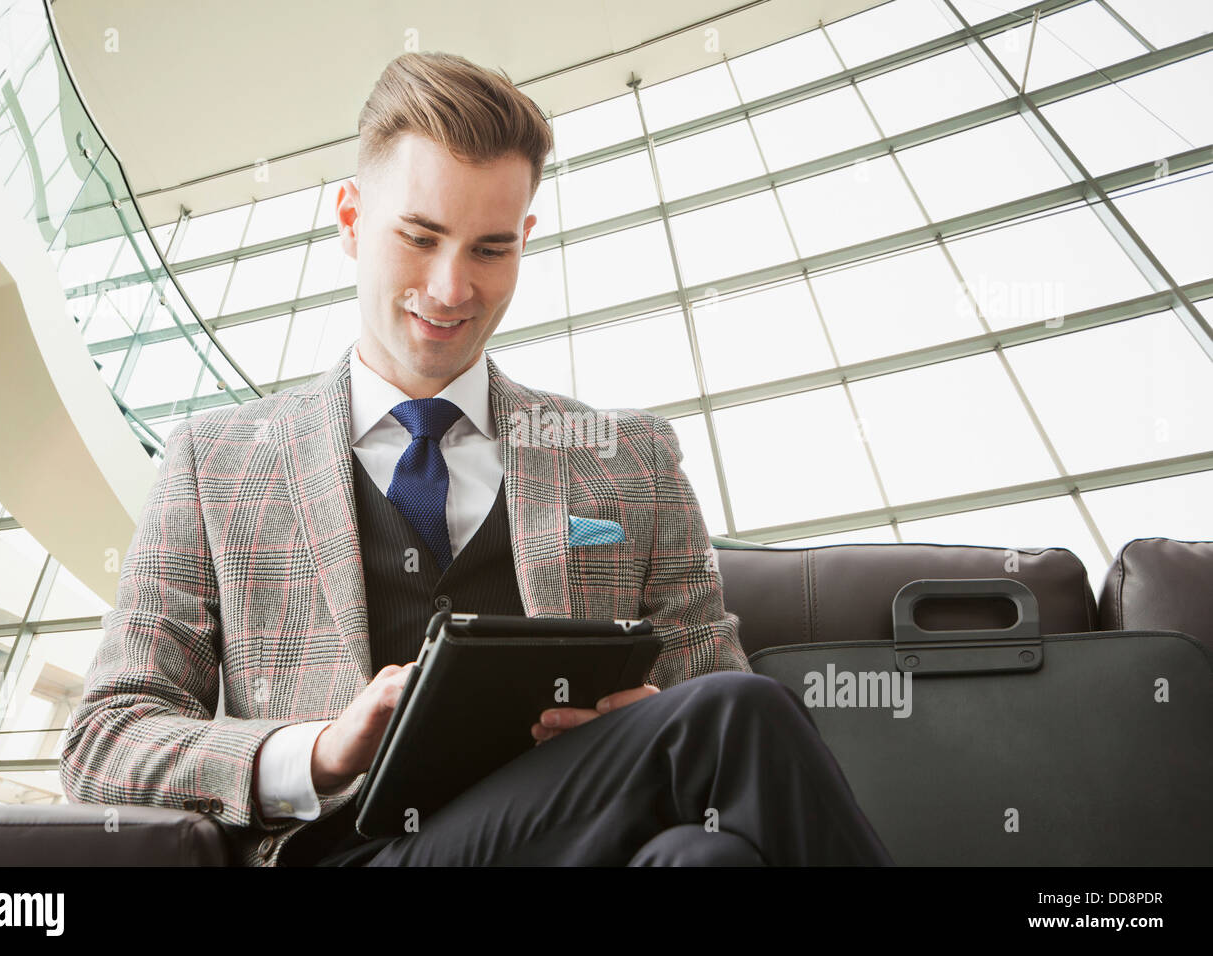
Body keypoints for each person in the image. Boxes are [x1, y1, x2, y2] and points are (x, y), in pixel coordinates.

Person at [60, 51, 892, 867]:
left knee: (702, 855)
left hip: (592, 838)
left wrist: (649, 718)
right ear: (350, 219)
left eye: (490, 250)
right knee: (734, 717)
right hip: (354, 855)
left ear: (525, 240)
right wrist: (318, 749)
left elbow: (707, 676)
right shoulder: (218, 464)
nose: (452, 288)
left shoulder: (629, 458)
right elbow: (105, 741)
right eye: (419, 238)